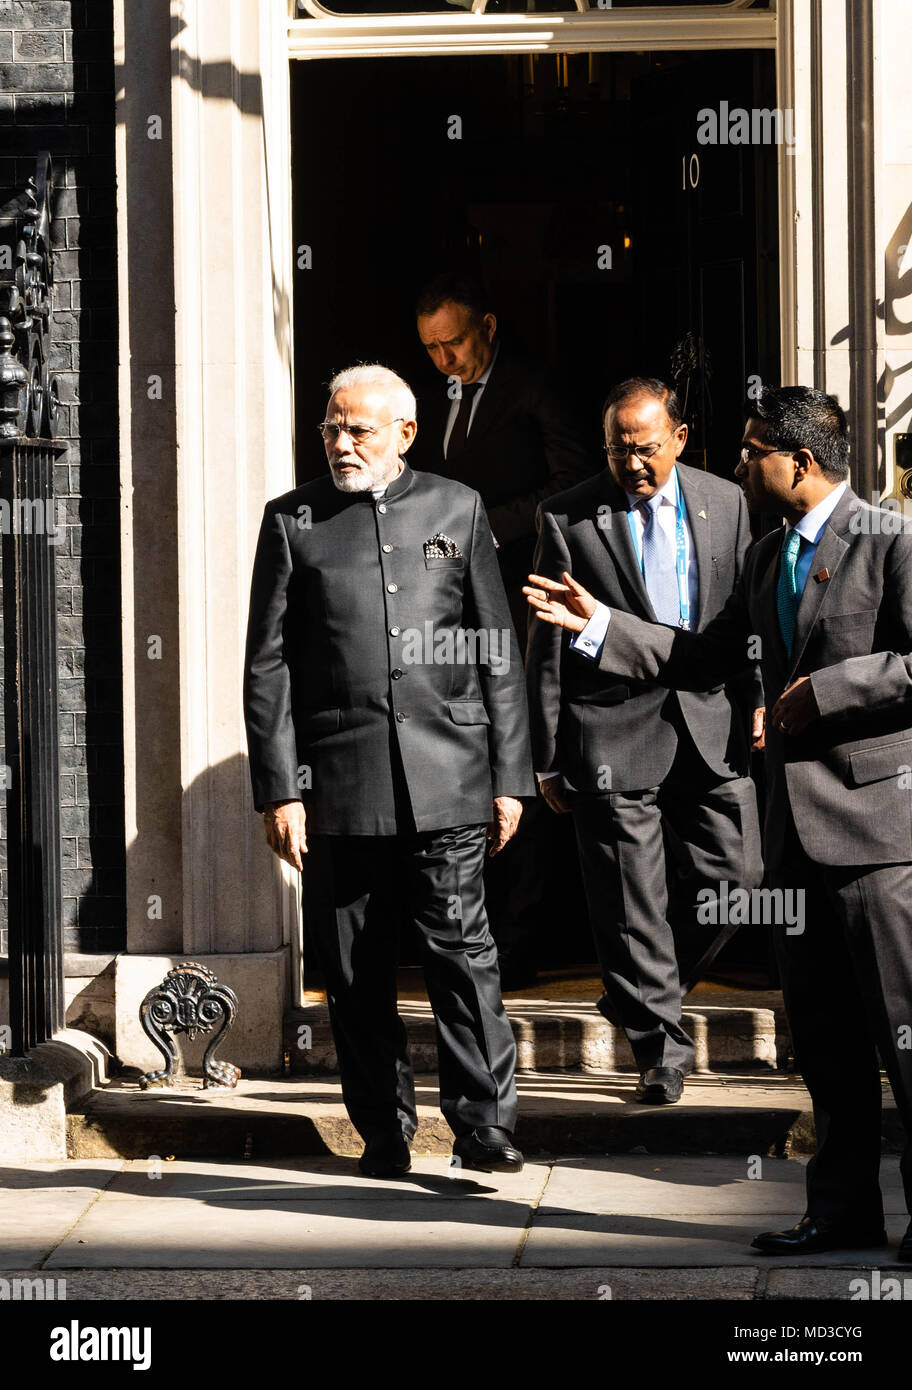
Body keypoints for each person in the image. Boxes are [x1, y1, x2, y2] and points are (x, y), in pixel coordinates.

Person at [525, 383, 912, 1259]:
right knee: (827, 1045)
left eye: (752, 450)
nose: (737, 465)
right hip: (796, 837)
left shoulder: (889, 537)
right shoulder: (770, 555)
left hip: (881, 840)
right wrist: (601, 626)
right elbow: (703, 653)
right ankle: (843, 1212)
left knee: (902, 1032)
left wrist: (829, 690)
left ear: (799, 462)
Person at [243, 363, 535, 1178]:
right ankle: (383, 1130)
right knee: (353, 969)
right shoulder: (291, 520)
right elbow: (266, 667)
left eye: (358, 429)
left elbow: (494, 648)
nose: (341, 442)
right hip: (337, 786)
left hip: (449, 776)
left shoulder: (458, 508)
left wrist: (511, 776)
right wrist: (279, 789)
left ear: (405, 433)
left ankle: (484, 1123)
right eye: (331, 427)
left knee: (463, 954)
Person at [525, 377, 763, 1105]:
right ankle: (659, 1048)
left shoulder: (727, 503)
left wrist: (753, 697)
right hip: (609, 732)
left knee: (740, 880)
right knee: (631, 901)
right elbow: (544, 645)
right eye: (617, 449)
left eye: (646, 448)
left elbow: (748, 613)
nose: (631, 463)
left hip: (711, 722)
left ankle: (637, 991)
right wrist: (545, 755)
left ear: (680, 439)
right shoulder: (567, 516)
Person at [413, 271, 595, 986]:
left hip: (521, 602)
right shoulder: (432, 398)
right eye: (430, 349)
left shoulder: (536, 387)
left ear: (487, 326)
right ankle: (464, 930)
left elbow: (572, 483)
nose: (444, 361)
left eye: (453, 343)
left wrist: (488, 525)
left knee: (523, 757)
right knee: (462, 755)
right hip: (449, 608)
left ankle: (525, 938)